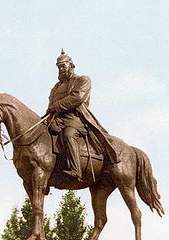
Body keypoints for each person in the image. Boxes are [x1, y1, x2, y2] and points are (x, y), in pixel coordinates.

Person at [46, 49, 120, 181]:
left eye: (63, 66)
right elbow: (50, 106)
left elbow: (77, 97)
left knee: (69, 134)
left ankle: (76, 170)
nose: (61, 69)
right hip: (57, 120)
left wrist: (56, 106)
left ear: (71, 65)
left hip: (75, 119)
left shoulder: (82, 80)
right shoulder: (55, 88)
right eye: (59, 67)